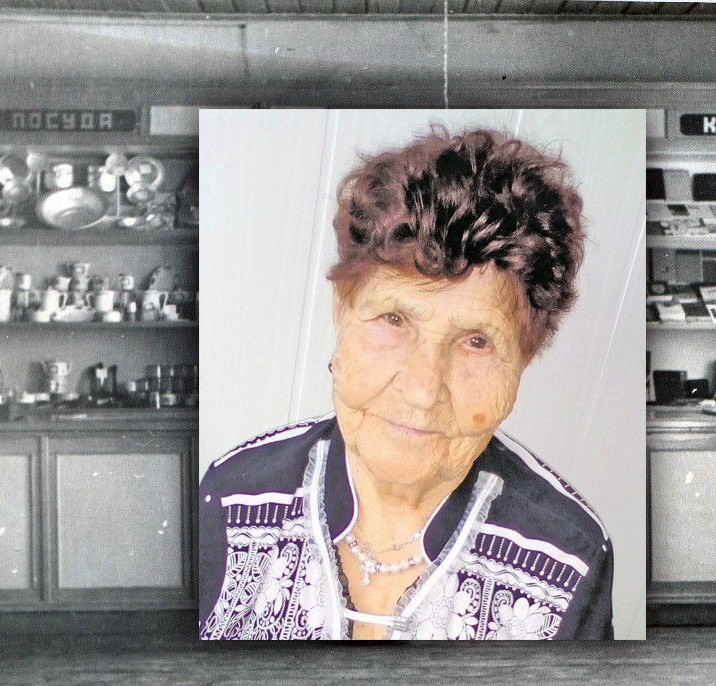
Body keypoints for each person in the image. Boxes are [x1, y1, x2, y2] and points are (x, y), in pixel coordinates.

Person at [199, 127, 613, 640]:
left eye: (477, 342)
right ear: (342, 312)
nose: (422, 390)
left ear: (523, 361)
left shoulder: (571, 559)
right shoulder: (231, 497)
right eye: (394, 319)